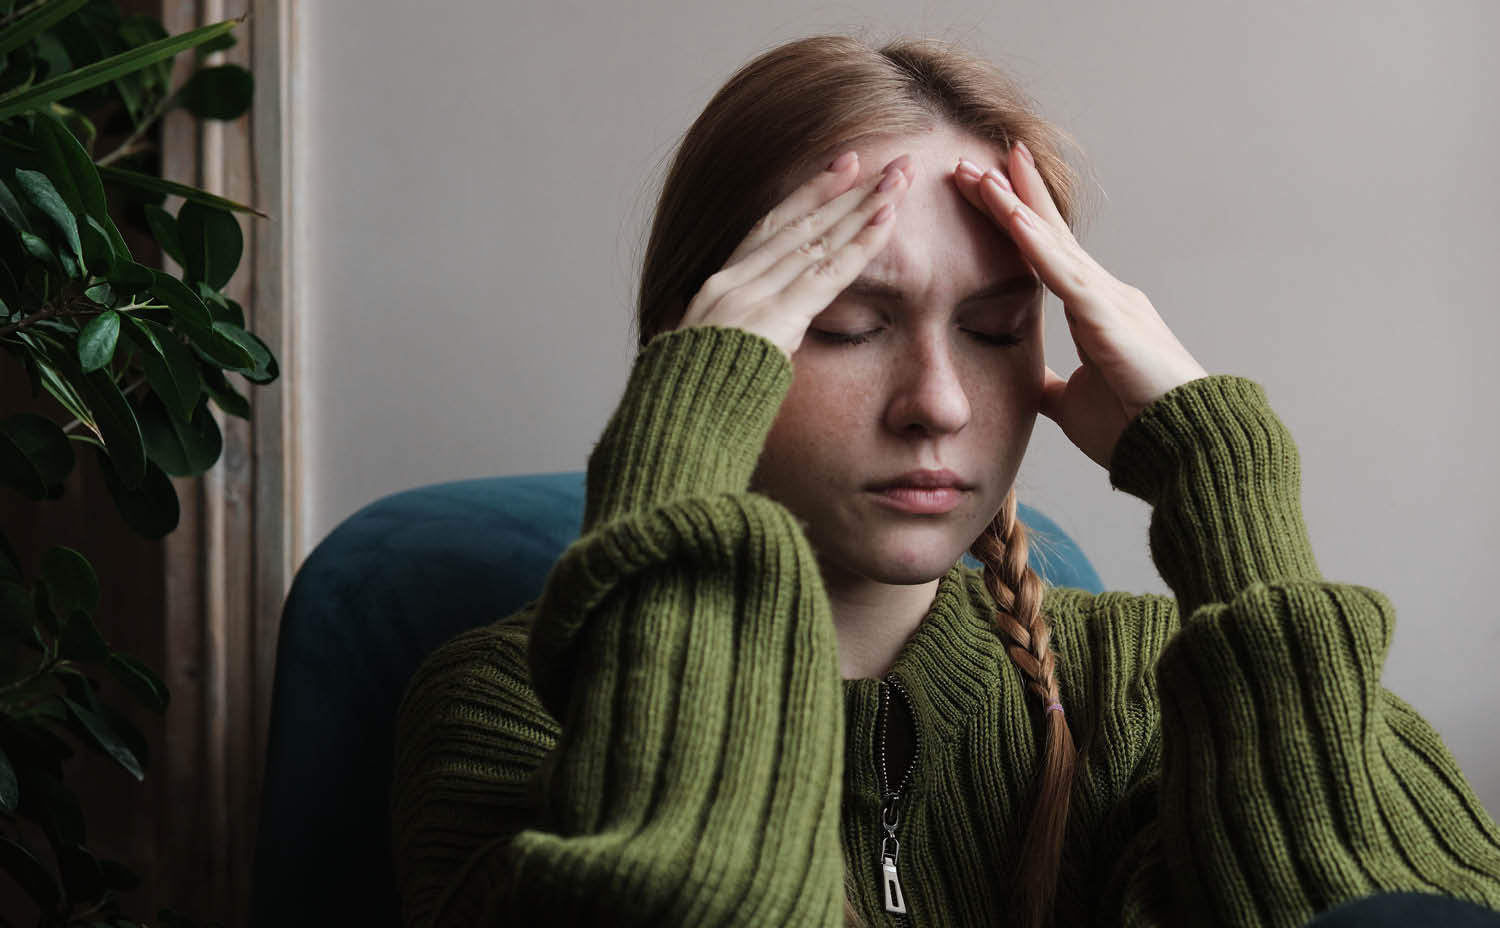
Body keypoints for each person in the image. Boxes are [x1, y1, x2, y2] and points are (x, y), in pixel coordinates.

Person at [389, 34, 1500, 927]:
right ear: (709, 355)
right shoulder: (509, 711)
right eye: (848, 325)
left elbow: (1387, 903)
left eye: (993, 327)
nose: (941, 401)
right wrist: (682, 461)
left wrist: (1224, 479)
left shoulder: (1139, 689)